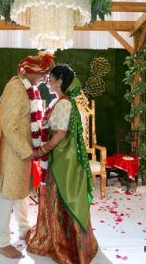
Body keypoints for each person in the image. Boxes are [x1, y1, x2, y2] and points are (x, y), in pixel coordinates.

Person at [0, 51, 54, 259]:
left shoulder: (30, 90)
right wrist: (27, 151)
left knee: (22, 193)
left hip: (22, 153)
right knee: (7, 196)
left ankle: (24, 230)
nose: (45, 78)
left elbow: (27, 121)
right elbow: (9, 126)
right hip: (13, 154)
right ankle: (2, 242)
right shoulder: (16, 88)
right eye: (43, 73)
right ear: (33, 70)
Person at [27, 64, 98, 264]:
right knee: (56, 199)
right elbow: (49, 126)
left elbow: (59, 134)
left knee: (60, 198)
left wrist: (41, 150)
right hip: (59, 158)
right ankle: (57, 237)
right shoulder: (58, 101)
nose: (48, 80)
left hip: (63, 161)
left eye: (51, 78)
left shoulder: (65, 104)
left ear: (59, 81)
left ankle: (66, 244)